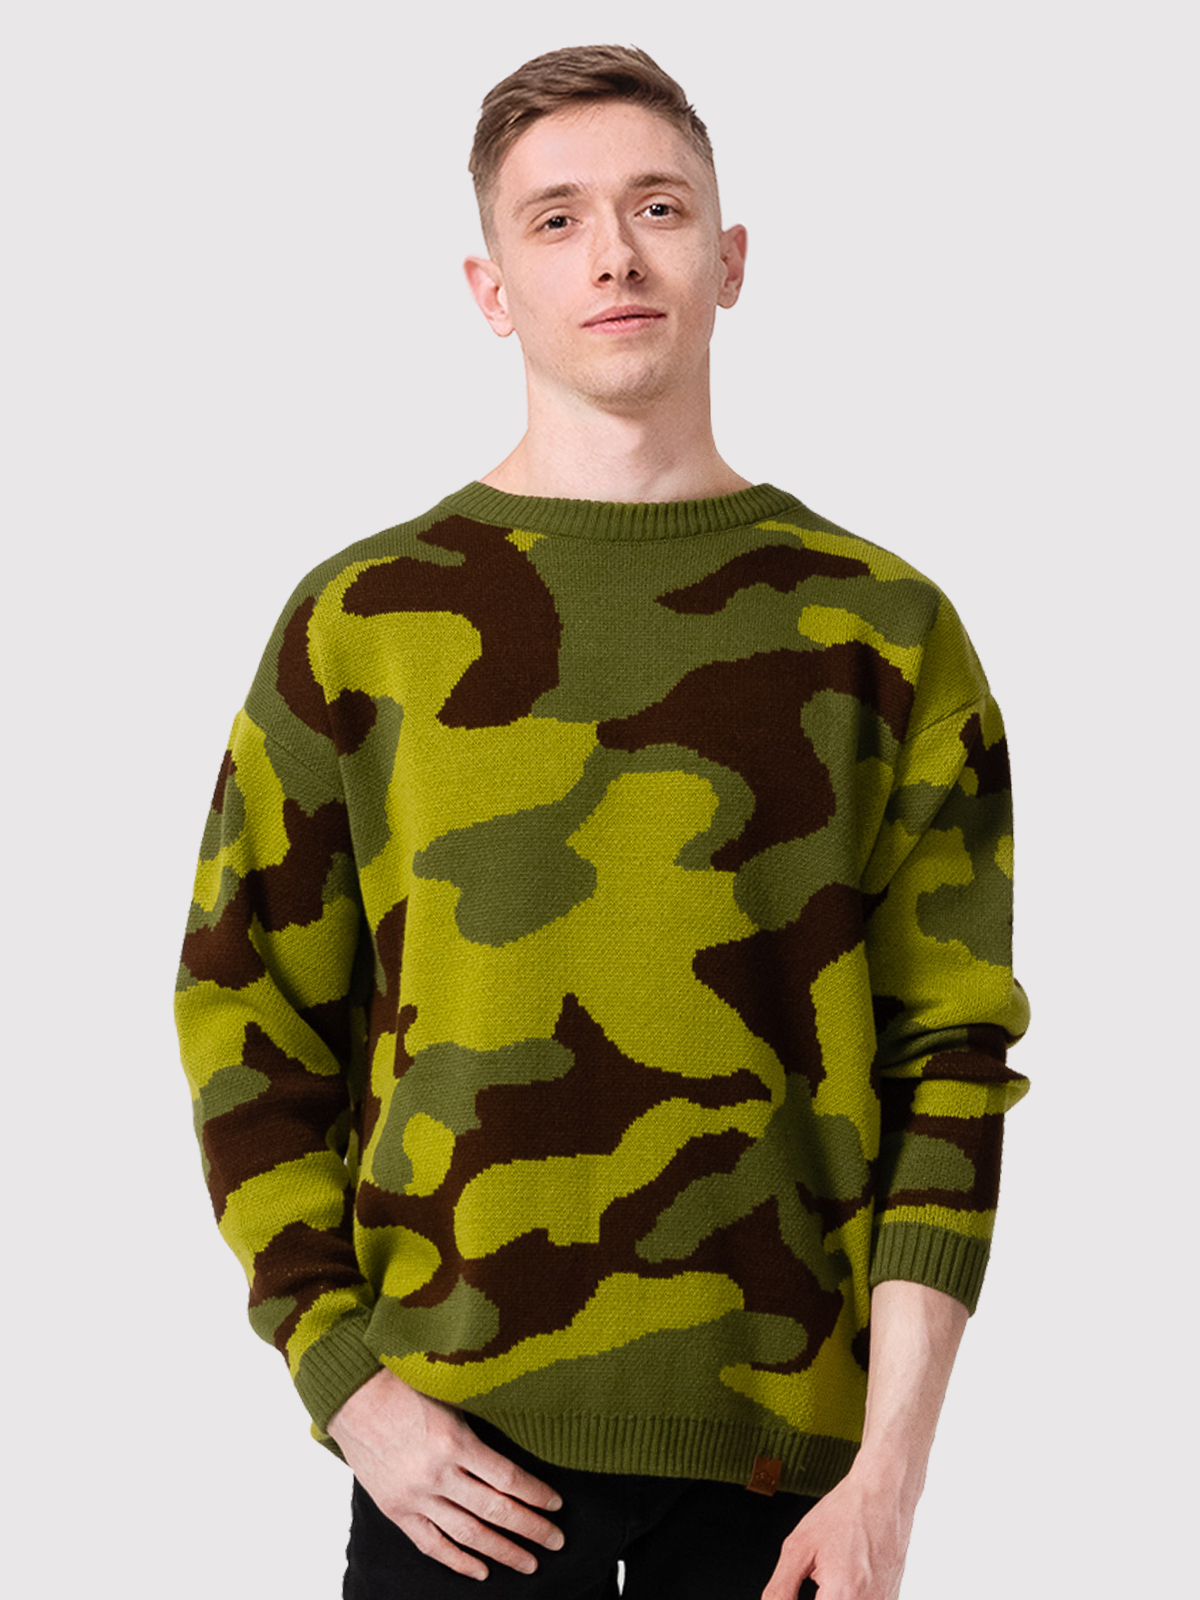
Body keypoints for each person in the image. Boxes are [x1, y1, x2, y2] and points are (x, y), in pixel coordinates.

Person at [175, 43, 1030, 1600]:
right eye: (556, 219)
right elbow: (247, 1017)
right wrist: (346, 1383)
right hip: (453, 1474)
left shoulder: (883, 632)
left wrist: (892, 1476)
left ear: (731, 259)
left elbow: (951, 1065)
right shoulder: (364, 623)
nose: (616, 255)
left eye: (659, 206)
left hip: (786, 1492)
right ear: (491, 287)